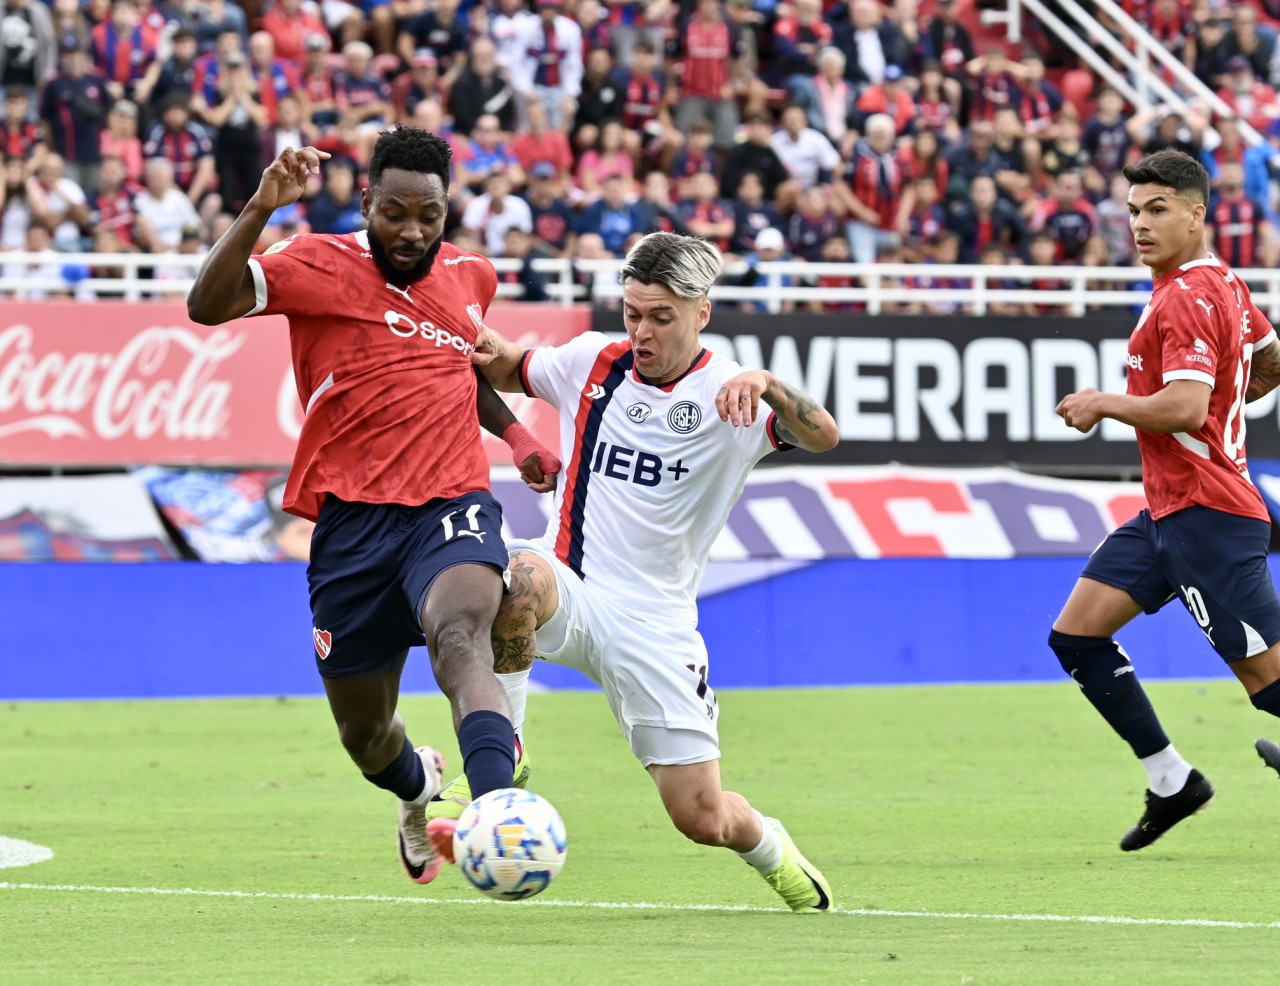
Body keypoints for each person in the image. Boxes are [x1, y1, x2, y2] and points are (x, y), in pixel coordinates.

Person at [185, 127, 562, 886]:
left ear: (448, 210)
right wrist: (262, 207)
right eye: (395, 213)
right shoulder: (313, 261)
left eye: (429, 215)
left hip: (449, 501)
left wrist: (518, 434)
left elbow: (459, 370)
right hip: (352, 522)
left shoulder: (471, 276)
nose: (412, 231)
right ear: (367, 204)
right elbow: (207, 305)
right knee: (364, 735)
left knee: (462, 636)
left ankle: (495, 811)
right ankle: (418, 788)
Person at [425, 231, 841, 913]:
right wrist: (460, 333)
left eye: (660, 317)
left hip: (656, 625)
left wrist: (766, 383)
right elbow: (502, 369)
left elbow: (823, 435)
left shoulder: (730, 395)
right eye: (632, 313)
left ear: (701, 312)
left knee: (701, 817)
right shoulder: (593, 362)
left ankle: (771, 846)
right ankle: (508, 752)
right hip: (574, 586)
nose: (641, 331)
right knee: (514, 575)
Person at [1051, 148, 1280, 853]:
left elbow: (1183, 406)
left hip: (1208, 513)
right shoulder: (1225, 285)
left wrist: (1102, 403)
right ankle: (1172, 780)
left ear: (1195, 213)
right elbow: (1271, 360)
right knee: (1077, 636)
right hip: (1171, 511)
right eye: (1133, 212)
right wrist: (1225, 415)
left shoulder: (1183, 296)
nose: (1141, 225)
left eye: (1157, 210)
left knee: (1267, 679)